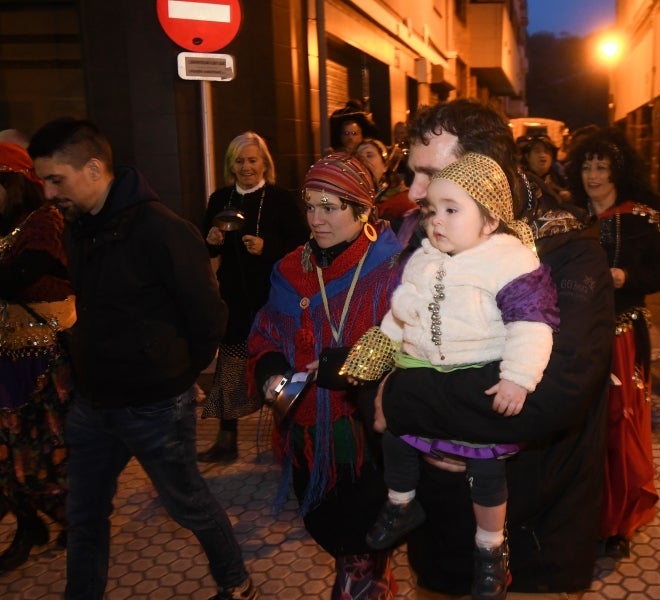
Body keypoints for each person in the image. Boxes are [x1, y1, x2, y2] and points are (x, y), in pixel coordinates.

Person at [378, 99, 616, 596]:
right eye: (412, 173)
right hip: (441, 525)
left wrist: (398, 402)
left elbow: (557, 391)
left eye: (430, 173)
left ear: (489, 172)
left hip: (536, 528)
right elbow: (389, 341)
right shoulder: (430, 235)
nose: (415, 191)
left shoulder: (568, 249)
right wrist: (377, 390)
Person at [28, 117, 258, 600]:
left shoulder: (162, 229)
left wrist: (174, 376)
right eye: (44, 181)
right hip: (93, 403)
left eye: (56, 180)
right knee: (84, 513)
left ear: (92, 168)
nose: (49, 194)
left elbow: (208, 315)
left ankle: (236, 584)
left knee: (188, 504)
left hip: (155, 405)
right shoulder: (77, 227)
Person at [344, 152, 559, 600]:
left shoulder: (508, 260)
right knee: (395, 434)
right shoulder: (422, 259)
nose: (436, 220)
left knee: (485, 467)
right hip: (420, 368)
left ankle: (490, 550)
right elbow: (399, 316)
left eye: (451, 209)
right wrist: (372, 357)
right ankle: (401, 504)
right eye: (431, 210)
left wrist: (518, 377)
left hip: (476, 374)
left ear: (489, 220)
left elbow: (532, 323)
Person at [247, 153, 403, 599]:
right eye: (310, 205)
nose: (315, 219)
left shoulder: (392, 269)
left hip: (365, 438)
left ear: (362, 209)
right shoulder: (290, 269)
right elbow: (265, 332)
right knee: (333, 534)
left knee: (361, 550)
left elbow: (408, 348)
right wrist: (271, 368)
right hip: (306, 436)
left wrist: (349, 365)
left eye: (329, 207)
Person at [565, 127, 660, 558]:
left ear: (618, 170)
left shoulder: (641, 217)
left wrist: (627, 278)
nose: (593, 175)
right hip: (577, 337)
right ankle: (584, 515)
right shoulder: (569, 216)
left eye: (602, 167)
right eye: (587, 166)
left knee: (620, 425)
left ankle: (620, 521)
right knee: (581, 428)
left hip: (624, 335)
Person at [198, 131, 308, 463]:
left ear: (264, 163)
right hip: (233, 296)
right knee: (231, 365)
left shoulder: (280, 199)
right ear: (231, 165)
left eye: (252, 160)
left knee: (276, 363)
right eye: (240, 161)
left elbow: (302, 246)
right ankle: (226, 438)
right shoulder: (220, 199)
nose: (246, 167)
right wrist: (212, 238)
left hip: (273, 296)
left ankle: (286, 435)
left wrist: (267, 248)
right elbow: (207, 245)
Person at [0, 141, 75, 572]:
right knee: (9, 455)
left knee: (48, 451)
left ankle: (72, 520)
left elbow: (15, 278)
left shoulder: (45, 222)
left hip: (44, 360)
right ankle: (29, 525)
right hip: (5, 358)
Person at [355, 137, 417, 235]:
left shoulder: (403, 201)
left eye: (369, 155)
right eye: (358, 157)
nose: (363, 160)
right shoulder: (348, 198)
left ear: (385, 166)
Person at [518, 134, 570, 203]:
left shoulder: (559, 179)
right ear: (527, 156)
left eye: (547, 152)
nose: (542, 155)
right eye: (537, 151)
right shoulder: (520, 180)